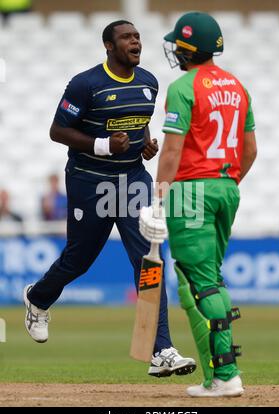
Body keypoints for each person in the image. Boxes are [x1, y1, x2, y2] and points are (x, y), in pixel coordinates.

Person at [23, 20, 196, 377]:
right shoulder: (86, 84)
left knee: (149, 260)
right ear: (109, 46)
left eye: (137, 37)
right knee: (78, 260)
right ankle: (38, 299)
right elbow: (57, 131)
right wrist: (102, 145)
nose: (135, 42)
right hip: (90, 182)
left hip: (133, 180)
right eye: (126, 37)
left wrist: (143, 144)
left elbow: (138, 121)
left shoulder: (149, 81)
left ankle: (160, 349)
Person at [140, 11, 257, 396]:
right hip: (227, 187)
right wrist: (226, 182)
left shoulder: (183, 86)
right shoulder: (237, 87)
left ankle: (225, 376)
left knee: (200, 282)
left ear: (188, 49)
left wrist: (158, 197)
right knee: (203, 279)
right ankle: (215, 373)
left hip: (191, 191)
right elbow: (251, 149)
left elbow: (172, 150)